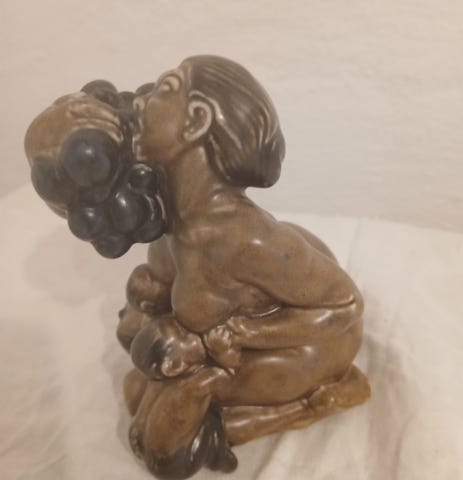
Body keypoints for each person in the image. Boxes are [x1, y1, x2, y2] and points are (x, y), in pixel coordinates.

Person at [117, 55, 370, 479]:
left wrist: (243, 332)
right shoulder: (175, 221)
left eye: (165, 89)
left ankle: (308, 404)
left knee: (162, 450)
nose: (141, 100)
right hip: (219, 347)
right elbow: (162, 290)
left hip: (306, 350)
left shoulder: (241, 239)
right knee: (134, 379)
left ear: (196, 121)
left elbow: (346, 305)